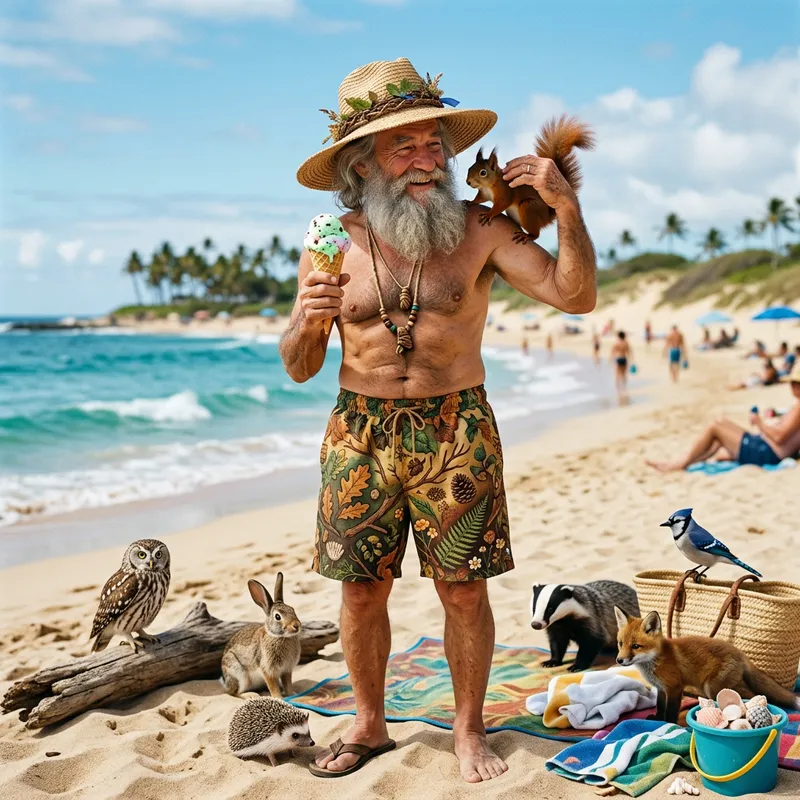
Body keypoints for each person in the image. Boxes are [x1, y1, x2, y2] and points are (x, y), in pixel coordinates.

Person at [280, 57, 597, 783]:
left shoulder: (484, 228)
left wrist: (568, 209)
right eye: (405, 147)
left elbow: (574, 297)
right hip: (359, 432)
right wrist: (304, 320)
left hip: (458, 428)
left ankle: (467, 731)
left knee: (463, 589)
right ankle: (368, 722)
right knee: (360, 589)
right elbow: (300, 365)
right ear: (362, 164)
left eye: (433, 145)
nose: (427, 162)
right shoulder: (332, 241)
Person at [647, 363, 800, 471]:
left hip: (764, 452)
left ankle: (679, 464)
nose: (791, 386)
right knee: (720, 446)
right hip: (765, 449)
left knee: (717, 424)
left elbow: (780, 437)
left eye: (795, 383)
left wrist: (760, 423)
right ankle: (684, 463)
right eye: (792, 383)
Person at [610, 330, 632, 402]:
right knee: (624, 374)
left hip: (618, 358)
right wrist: (631, 360)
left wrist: (611, 359)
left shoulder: (617, 343)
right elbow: (629, 352)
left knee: (617, 374)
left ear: (618, 336)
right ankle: (624, 387)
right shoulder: (626, 343)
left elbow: (612, 351)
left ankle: (617, 389)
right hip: (624, 358)